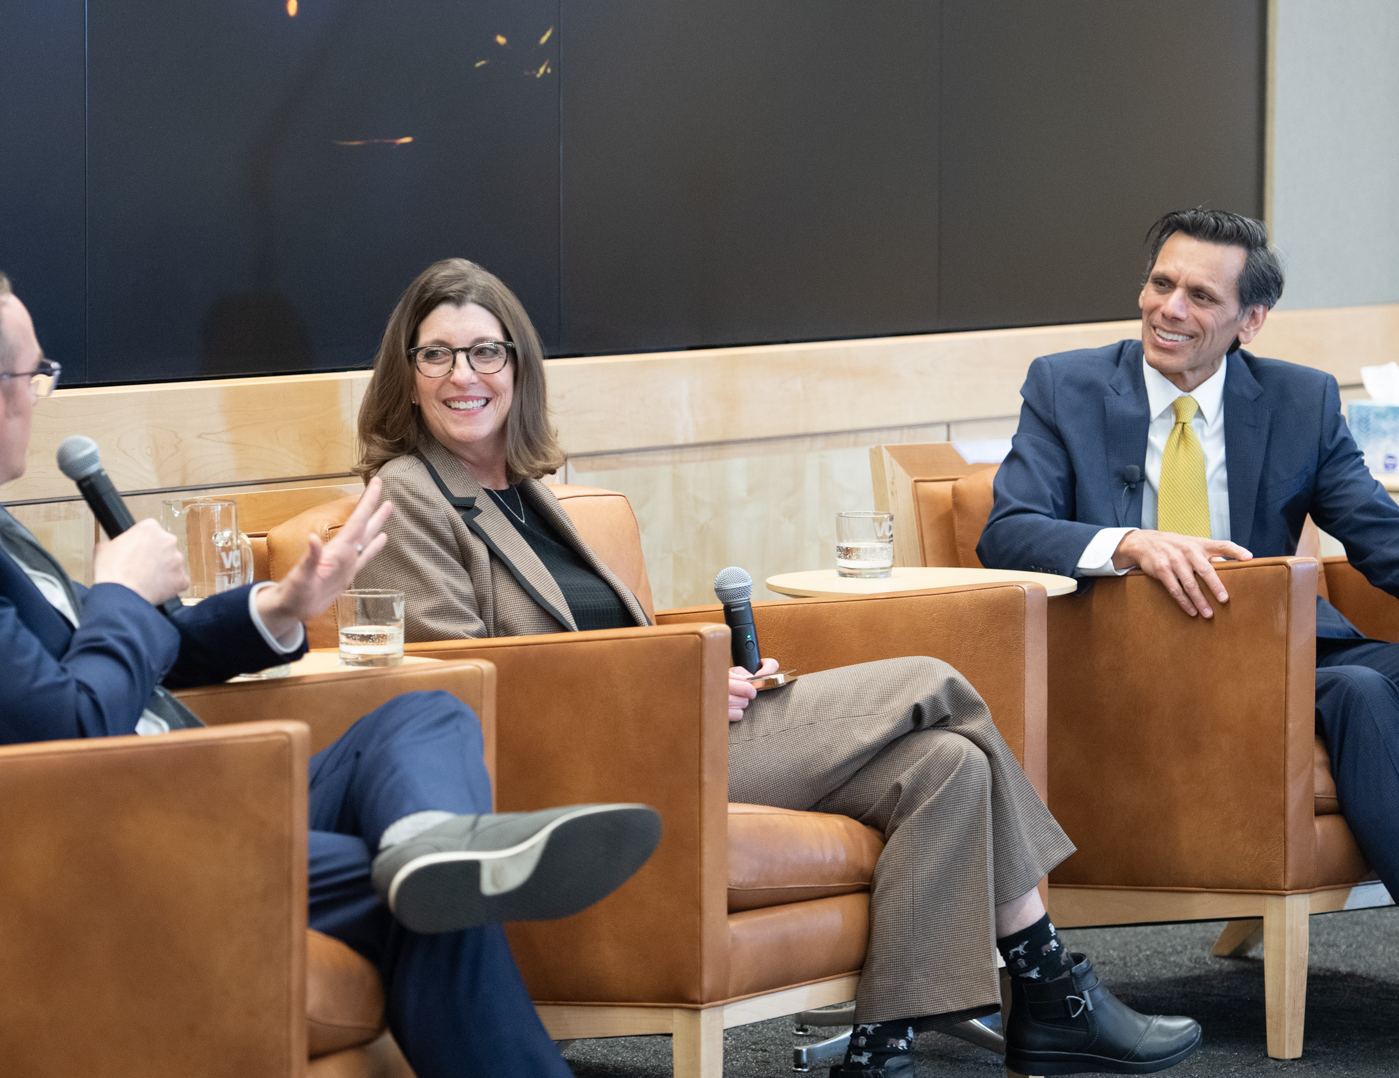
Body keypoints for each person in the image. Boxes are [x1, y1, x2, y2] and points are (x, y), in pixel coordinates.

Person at [0, 262, 662, 1078]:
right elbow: (70, 731)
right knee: (419, 898)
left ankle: (433, 844)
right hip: (87, 842)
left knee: (424, 715)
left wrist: (278, 608)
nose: (41, 395)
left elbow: (117, 660)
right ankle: (434, 868)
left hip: (168, 788)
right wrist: (121, 599)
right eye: (37, 375)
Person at [346, 257, 1204, 1078]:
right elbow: (463, 685)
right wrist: (672, 685)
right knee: (936, 683)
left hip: (682, 729)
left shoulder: (528, 490)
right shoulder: (407, 495)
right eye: (438, 355)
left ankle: (883, 1047)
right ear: (407, 373)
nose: (465, 374)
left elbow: (608, 639)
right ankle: (1050, 979)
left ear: (518, 367)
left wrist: (714, 674)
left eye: (486, 351)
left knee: (947, 767)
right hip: (600, 769)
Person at [977, 207, 1399, 1071]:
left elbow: (1379, 531)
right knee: (1360, 695)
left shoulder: (1298, 399)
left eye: (1200, 295)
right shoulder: (1065, 386)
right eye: (1160, 283)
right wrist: (1129, 544)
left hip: (1290, 653)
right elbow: (1010, 530)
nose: (1169, 308)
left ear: (1249, 321)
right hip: (1144, 670)